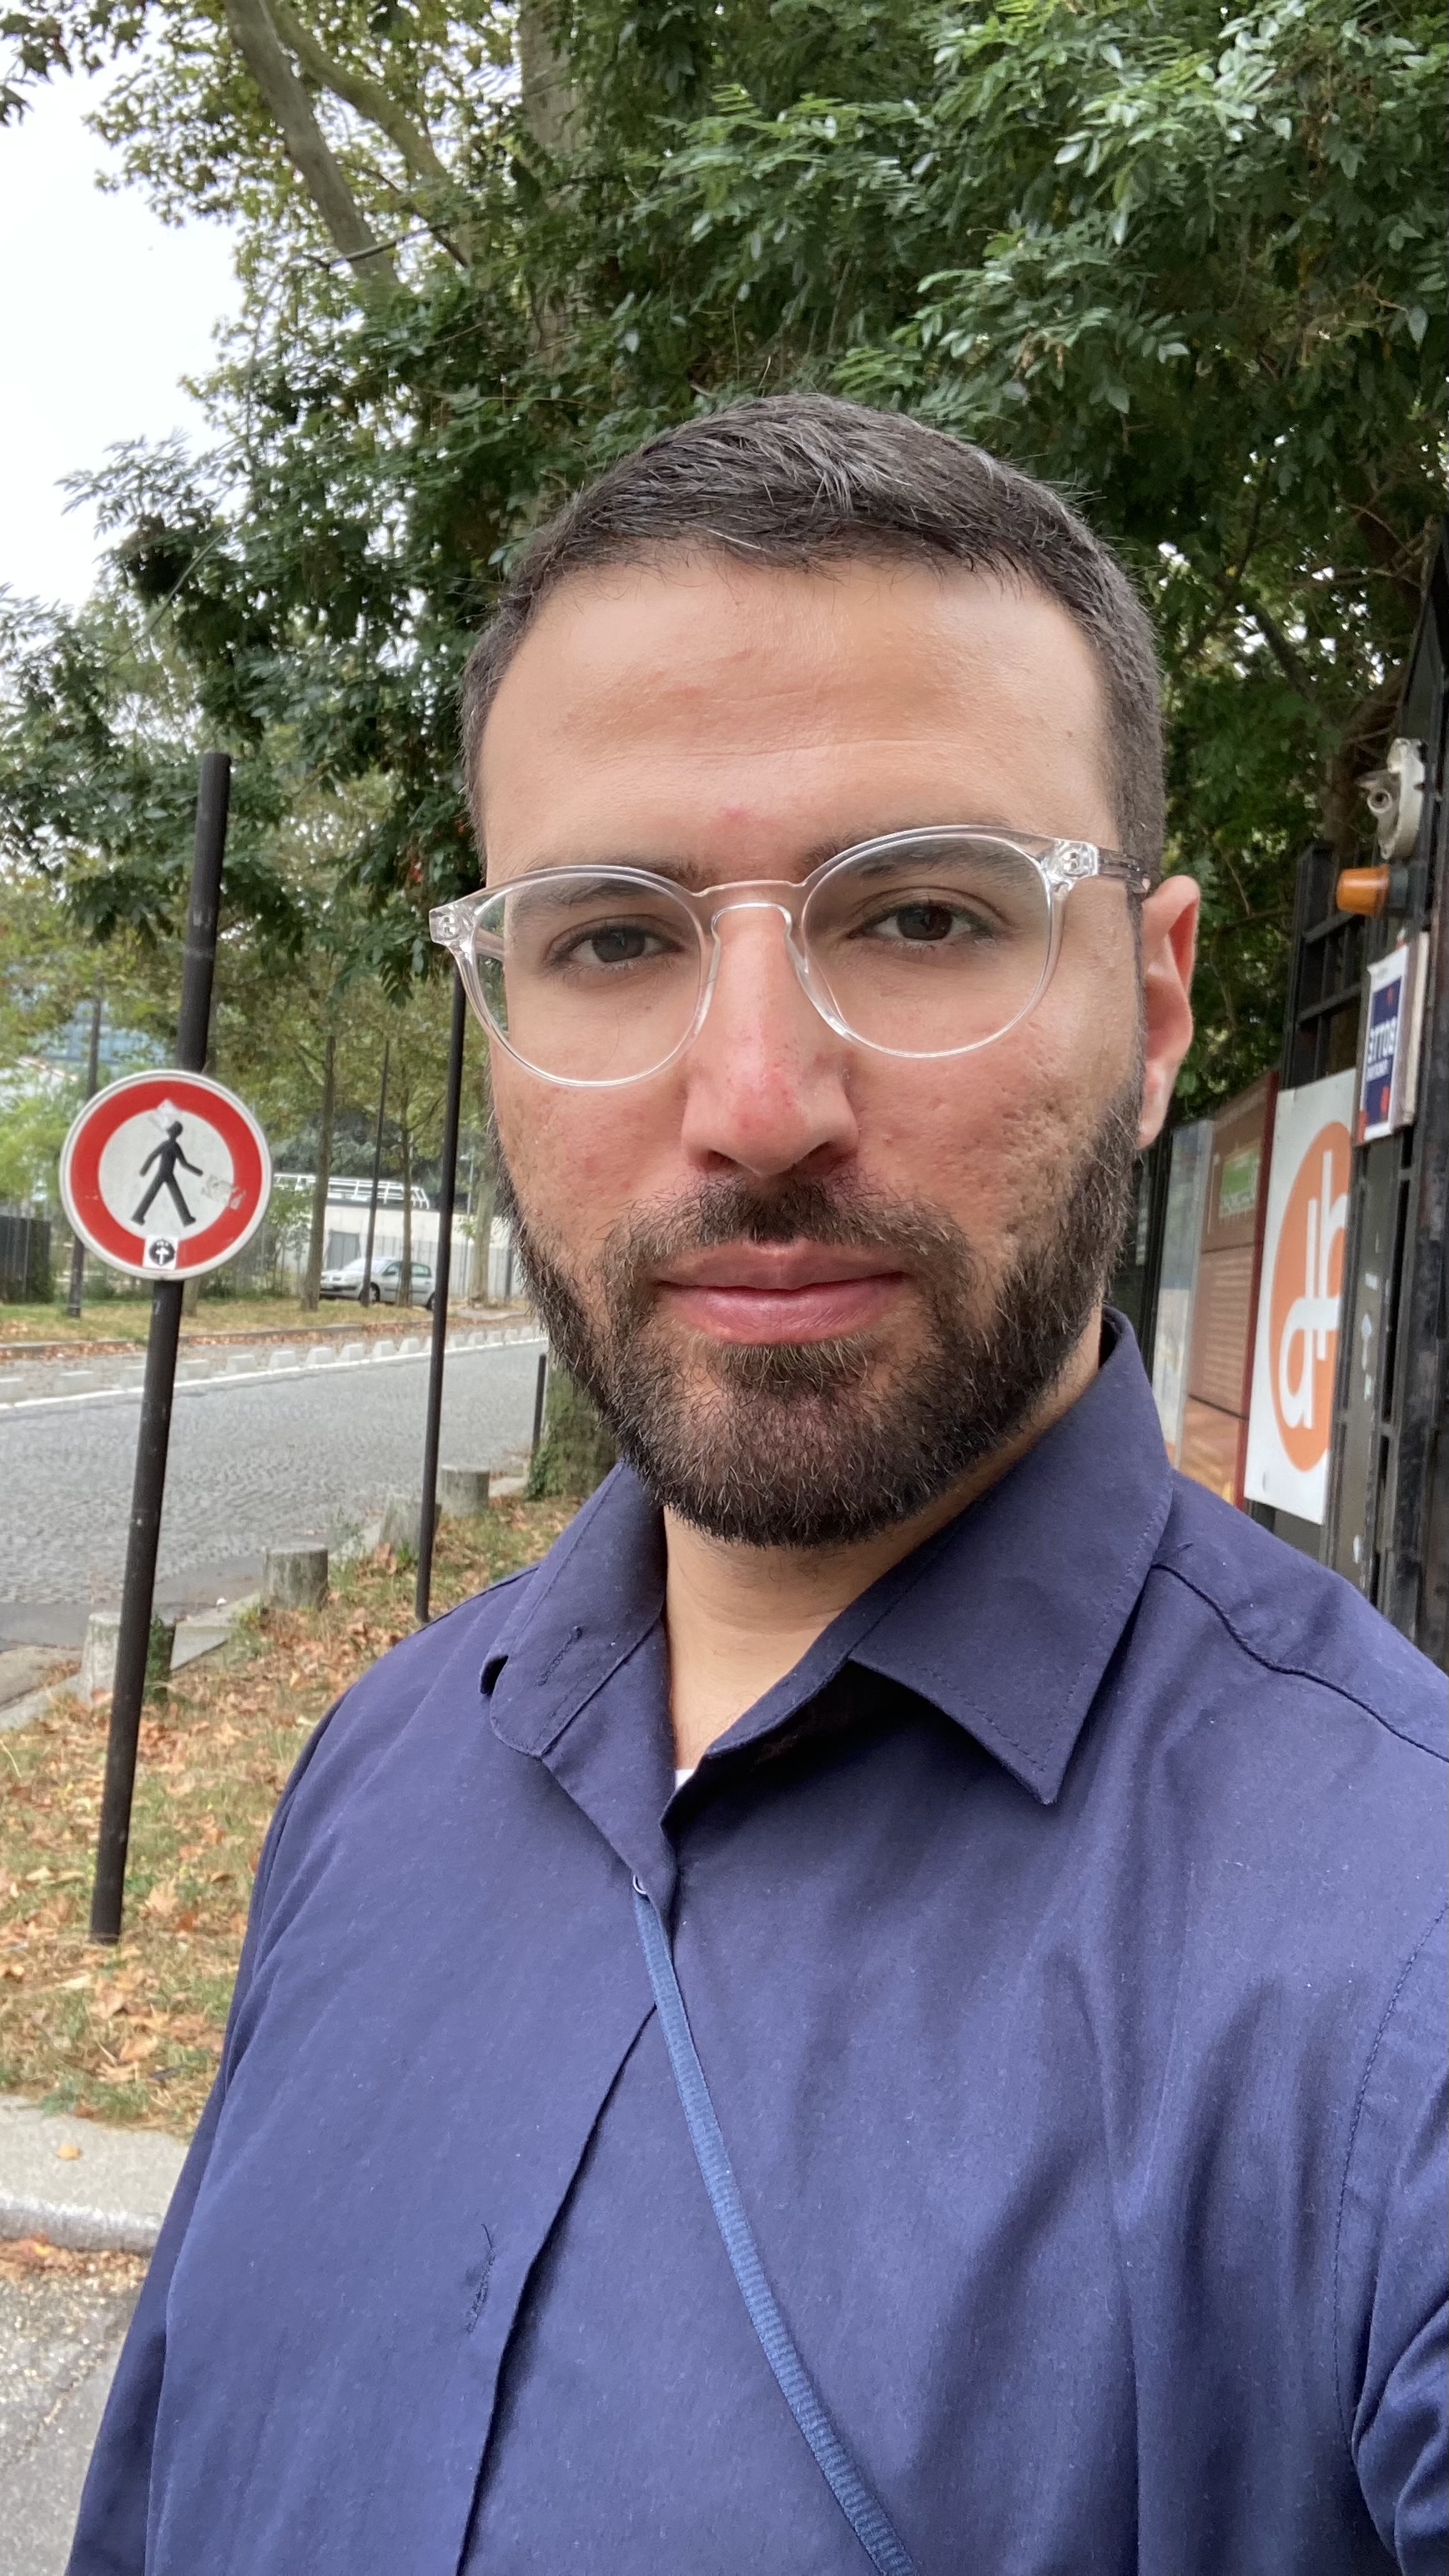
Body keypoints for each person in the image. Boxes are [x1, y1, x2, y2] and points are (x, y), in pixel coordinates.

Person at [72, 398, 1445, 2576]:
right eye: (611, 939)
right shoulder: (379, 1767)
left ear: (1156, 1000)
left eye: (922, 914)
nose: (756, 1100)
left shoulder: (1396, 1962)